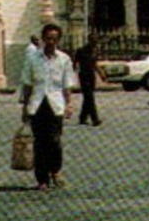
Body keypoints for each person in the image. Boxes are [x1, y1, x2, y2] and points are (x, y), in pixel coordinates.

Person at [19, 23, 76, 190]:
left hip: (56, 103)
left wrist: (69, 104)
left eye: (54, 38)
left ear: (58, 40)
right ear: (43, 39)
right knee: (39, 143)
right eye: (48, 38)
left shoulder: (64, 59)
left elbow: (67, 85)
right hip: (37, 104)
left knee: (55, 141)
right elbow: (27, 84)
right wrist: (25, 107)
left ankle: (56, 171)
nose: (51, 41)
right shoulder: (32, 58)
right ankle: (42, 179)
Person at [74, 38, 102, 126]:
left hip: (91, 75)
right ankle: (95, 119)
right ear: (90, 41)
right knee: (90, 97)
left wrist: (101, 74)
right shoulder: (81, 50)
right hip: (84, 75)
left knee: (87, 98)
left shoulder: (95, 51)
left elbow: (95, 63)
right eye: (94, 42)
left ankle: (82, 118)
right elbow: (74, 63)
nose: (95, 44)